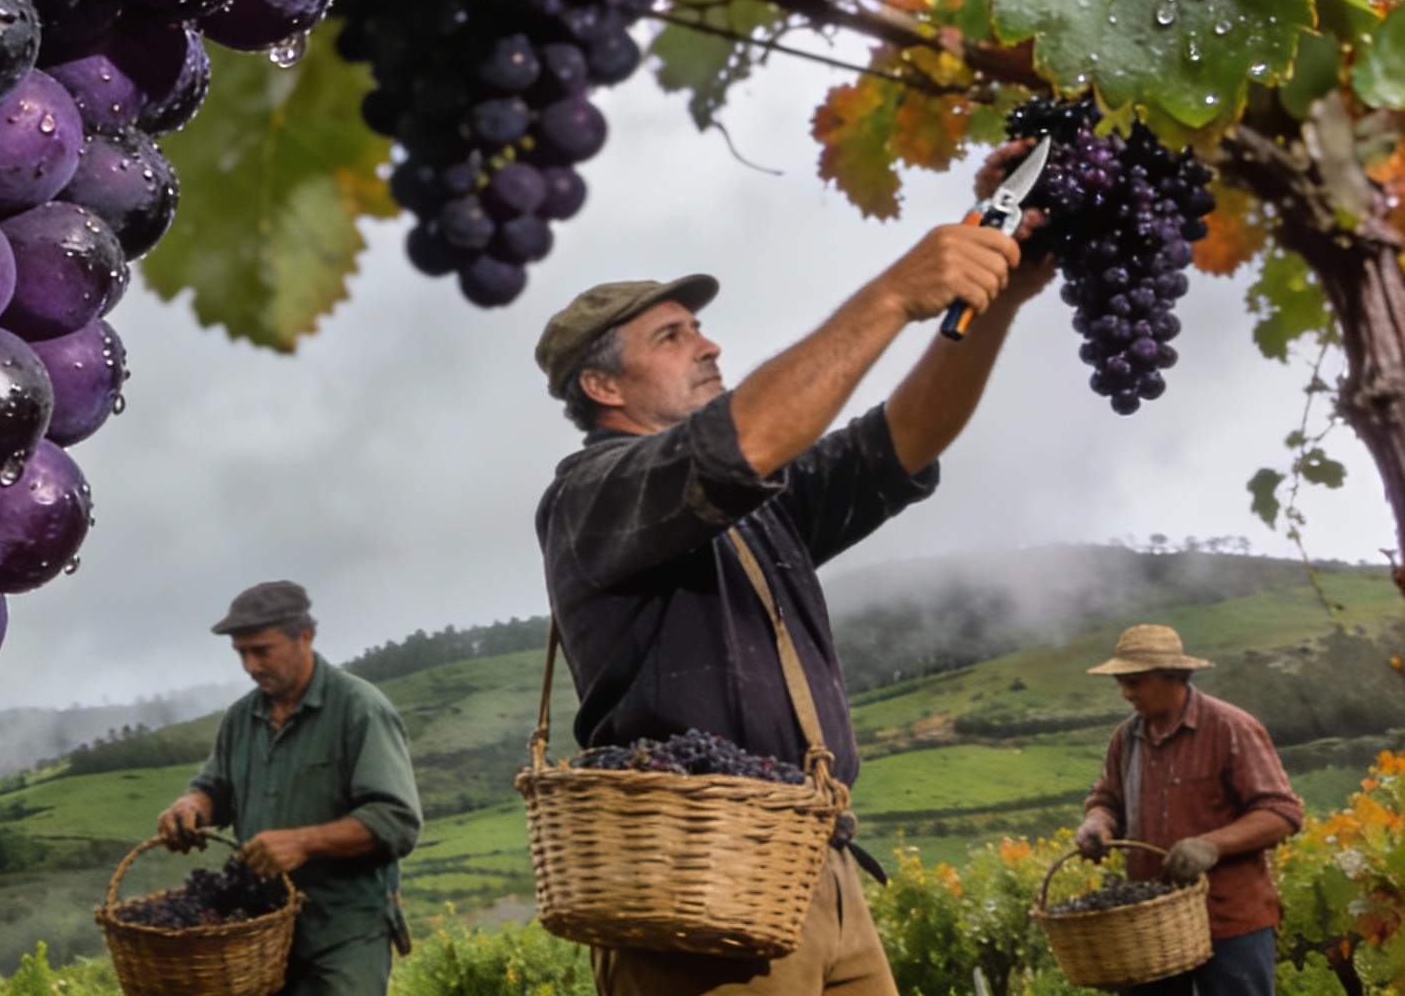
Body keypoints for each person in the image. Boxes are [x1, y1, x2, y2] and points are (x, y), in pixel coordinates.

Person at [532, 150, 1048, 996]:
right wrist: (891, 295)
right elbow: (734, 448)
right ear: (601, 384)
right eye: (674, 337)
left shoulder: (760, 505)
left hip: (816, 864)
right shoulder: (594, 495)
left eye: (697, 328)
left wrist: (993, 300)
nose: (709, 345)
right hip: (697, 885)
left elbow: (901, 441)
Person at [153, 582, 422, 996]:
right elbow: (215, 787)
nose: (251, 665)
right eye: (242, 653)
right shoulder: (242, 718)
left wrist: (305, 842)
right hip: (260, 933)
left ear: (306, 637)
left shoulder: (358, 708)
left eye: (262, 650)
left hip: (342, 935)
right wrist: (193, 805)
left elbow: (397, 820)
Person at [1075, 625, 1303, 996]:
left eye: (1135, 681)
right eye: (1121, 681)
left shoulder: (1231, 728)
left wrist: (1211, 845)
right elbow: (1106, 798)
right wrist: (1097, 822)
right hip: (1152, 923)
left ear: (1175, 676)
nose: (1125, 693)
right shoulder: (1126, 738)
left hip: (1230, 923)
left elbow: (1282, 812)